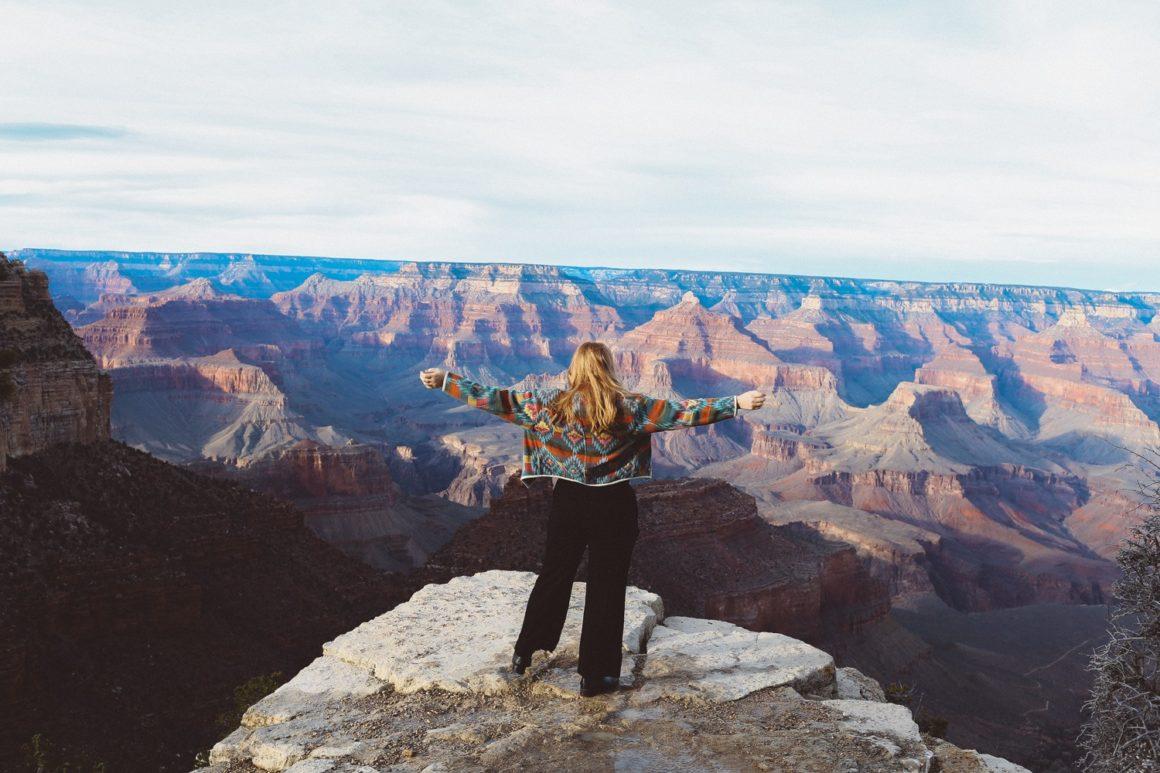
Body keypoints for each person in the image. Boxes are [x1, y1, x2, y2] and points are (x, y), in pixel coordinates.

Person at [419, 341, 766, 697]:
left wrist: (447, 381)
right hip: (614, 503)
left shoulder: (550, 406)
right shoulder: (630, 408)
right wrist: (736, 404)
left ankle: (525, 652)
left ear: (576, 369)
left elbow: (497, 399)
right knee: (607, 585)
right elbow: (682, 412)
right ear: (608, 368)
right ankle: (596, 675)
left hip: (568, 499)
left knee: (555, 573)